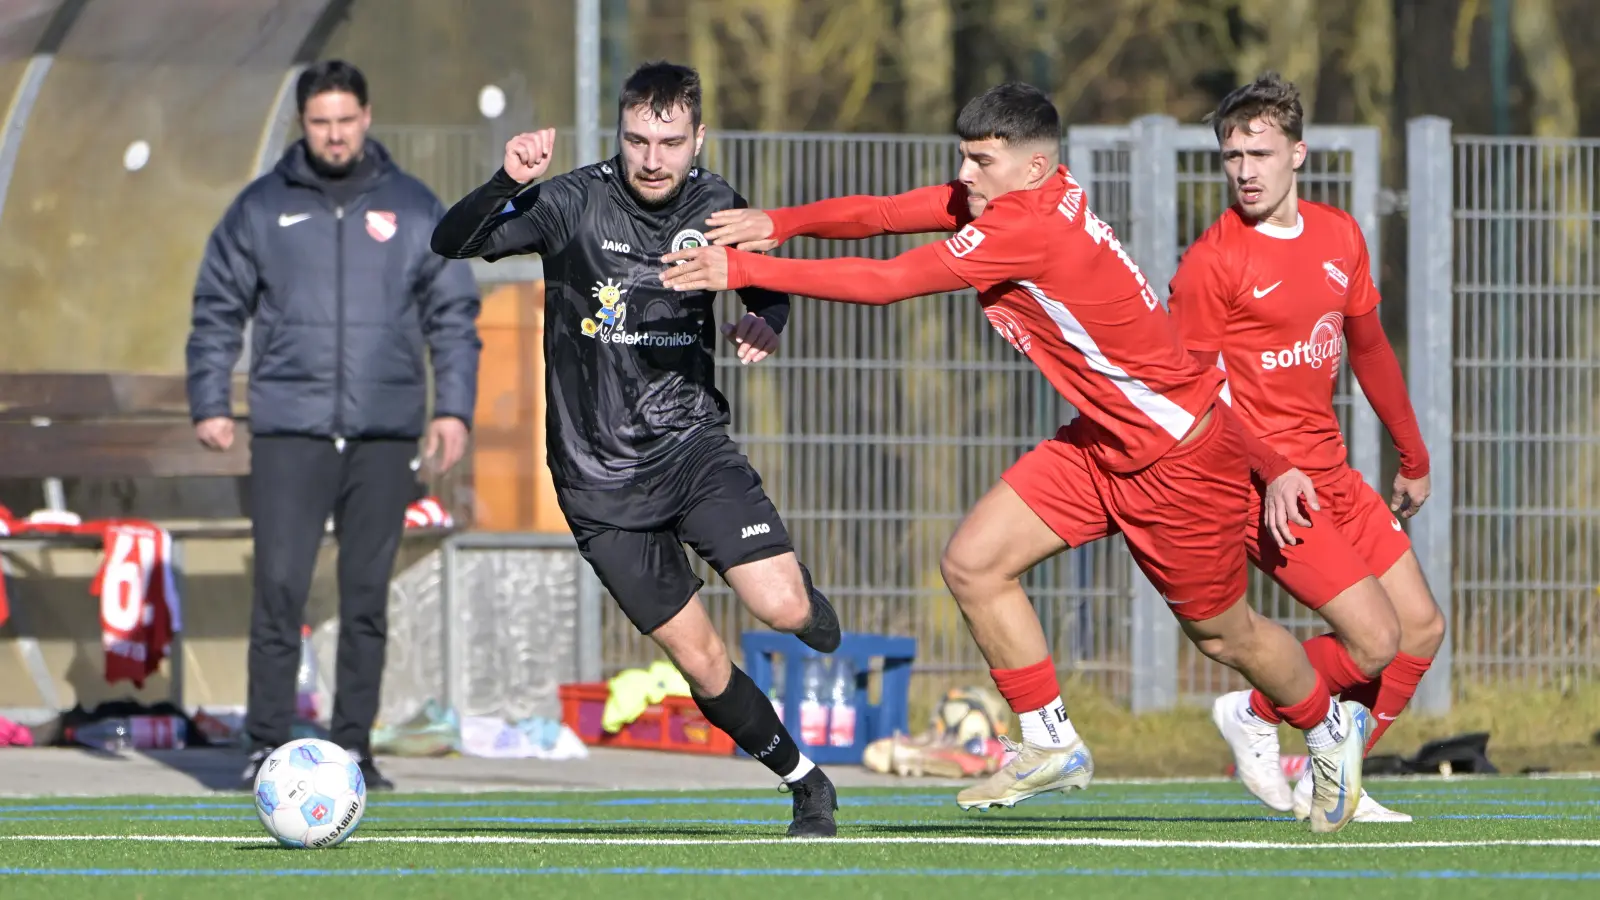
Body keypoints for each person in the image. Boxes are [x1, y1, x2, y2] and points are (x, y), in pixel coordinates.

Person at [662, 81, 1370, 834]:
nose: (965, 175)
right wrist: (784, 222)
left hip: (1177, 460)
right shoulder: (1021, 197)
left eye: (980, 161)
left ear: (1031, 168)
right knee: (973, 562)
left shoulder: (1029, 229)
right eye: (964, 157)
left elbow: (890, 281)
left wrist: (742, 271)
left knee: (1228, 636)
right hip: (1103, 442)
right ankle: (1050, 738)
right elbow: (885, 213)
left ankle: (1329, 730)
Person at [428, 61, 842, 839]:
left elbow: (766, 279)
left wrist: (770, 318)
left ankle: (800, 594)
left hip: (690, 447)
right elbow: (452, 242)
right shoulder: (574, 202)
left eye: (670, 142)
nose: (652, 158)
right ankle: (806, 784)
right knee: (703, 662)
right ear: (619, 132)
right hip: (595, 481)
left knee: (783, 610)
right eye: (637, 139)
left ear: (698, 139)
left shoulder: (719, 205)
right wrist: (503, 181)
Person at [185, 60, 483, 792]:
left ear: (367, 117)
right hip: (292, 428)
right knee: (280, 590)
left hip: (384, 430)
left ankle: (353, 746)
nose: (335, 134)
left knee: (365, 597)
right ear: (302, 124)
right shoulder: (259, 208)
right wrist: (210, 400)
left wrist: (453, 408)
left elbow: (453, 314)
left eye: (345, 120)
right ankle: (264, 744)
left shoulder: (415, 207)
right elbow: (217, 304)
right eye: (320, 122)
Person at [1166, 72, 1446, 822]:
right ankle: (1256, 713)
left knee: (1420, 629)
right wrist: (1274, 466)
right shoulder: (1212, 263)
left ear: (1298, 153)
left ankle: (1336, 783)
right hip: (1268, 485)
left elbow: (1370, 350)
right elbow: (1196, 397)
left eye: (1259, 152)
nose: (1245, 171)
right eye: (1231, 156)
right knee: (1375, 639)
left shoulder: (1338, 235)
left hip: (1334, 472)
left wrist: (1412, 456)